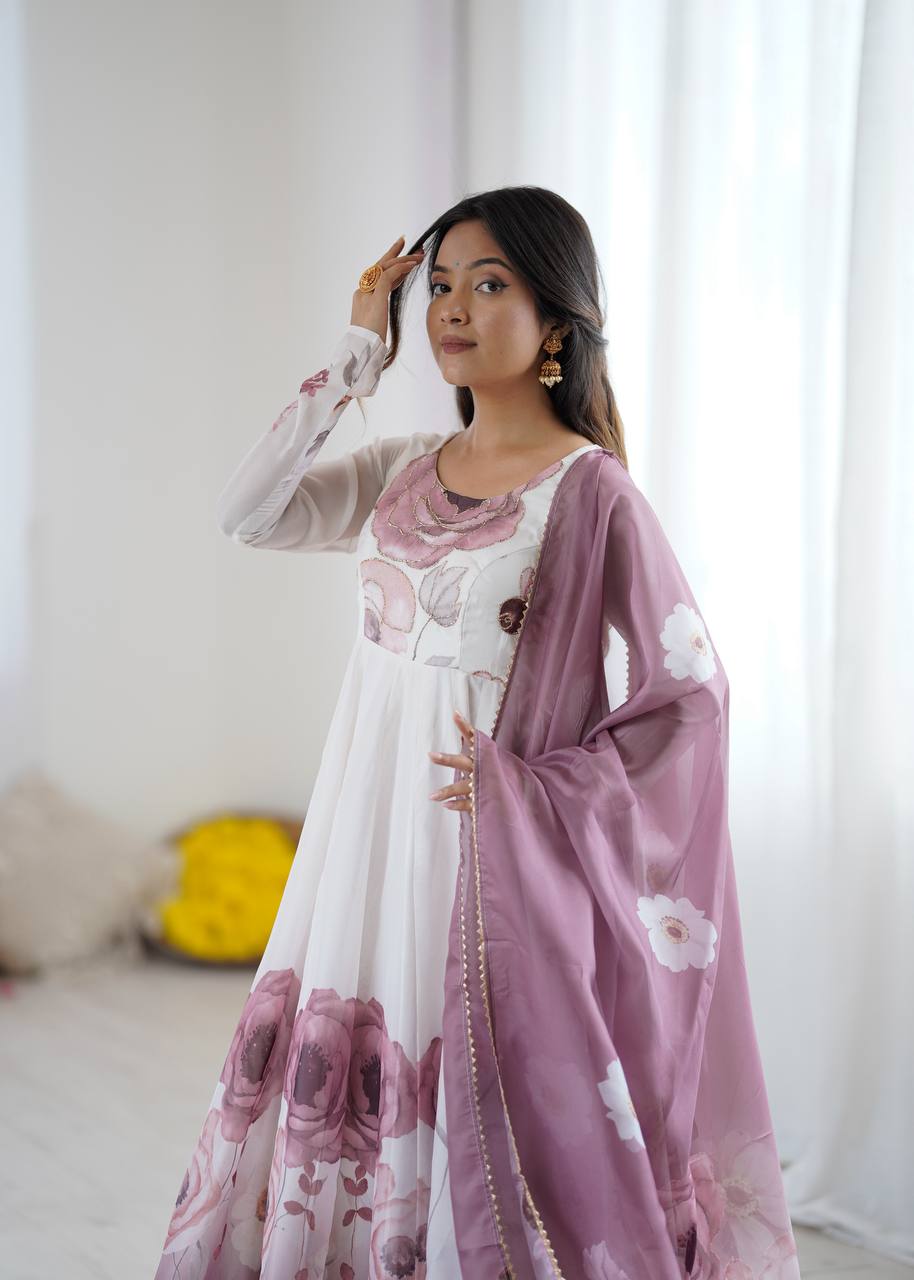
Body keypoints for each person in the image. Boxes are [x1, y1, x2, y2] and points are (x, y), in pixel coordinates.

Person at [153, 187, 799, 1280]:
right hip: (362, 833)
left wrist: (535, 787)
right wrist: (357, 351)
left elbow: (691, 694)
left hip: (483, 851)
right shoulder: (405, 469)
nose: (452, 308)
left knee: (472, 1091)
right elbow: (248, 512)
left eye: (489, 283)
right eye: (440, 285)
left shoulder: (590, 493)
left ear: (555, 323)